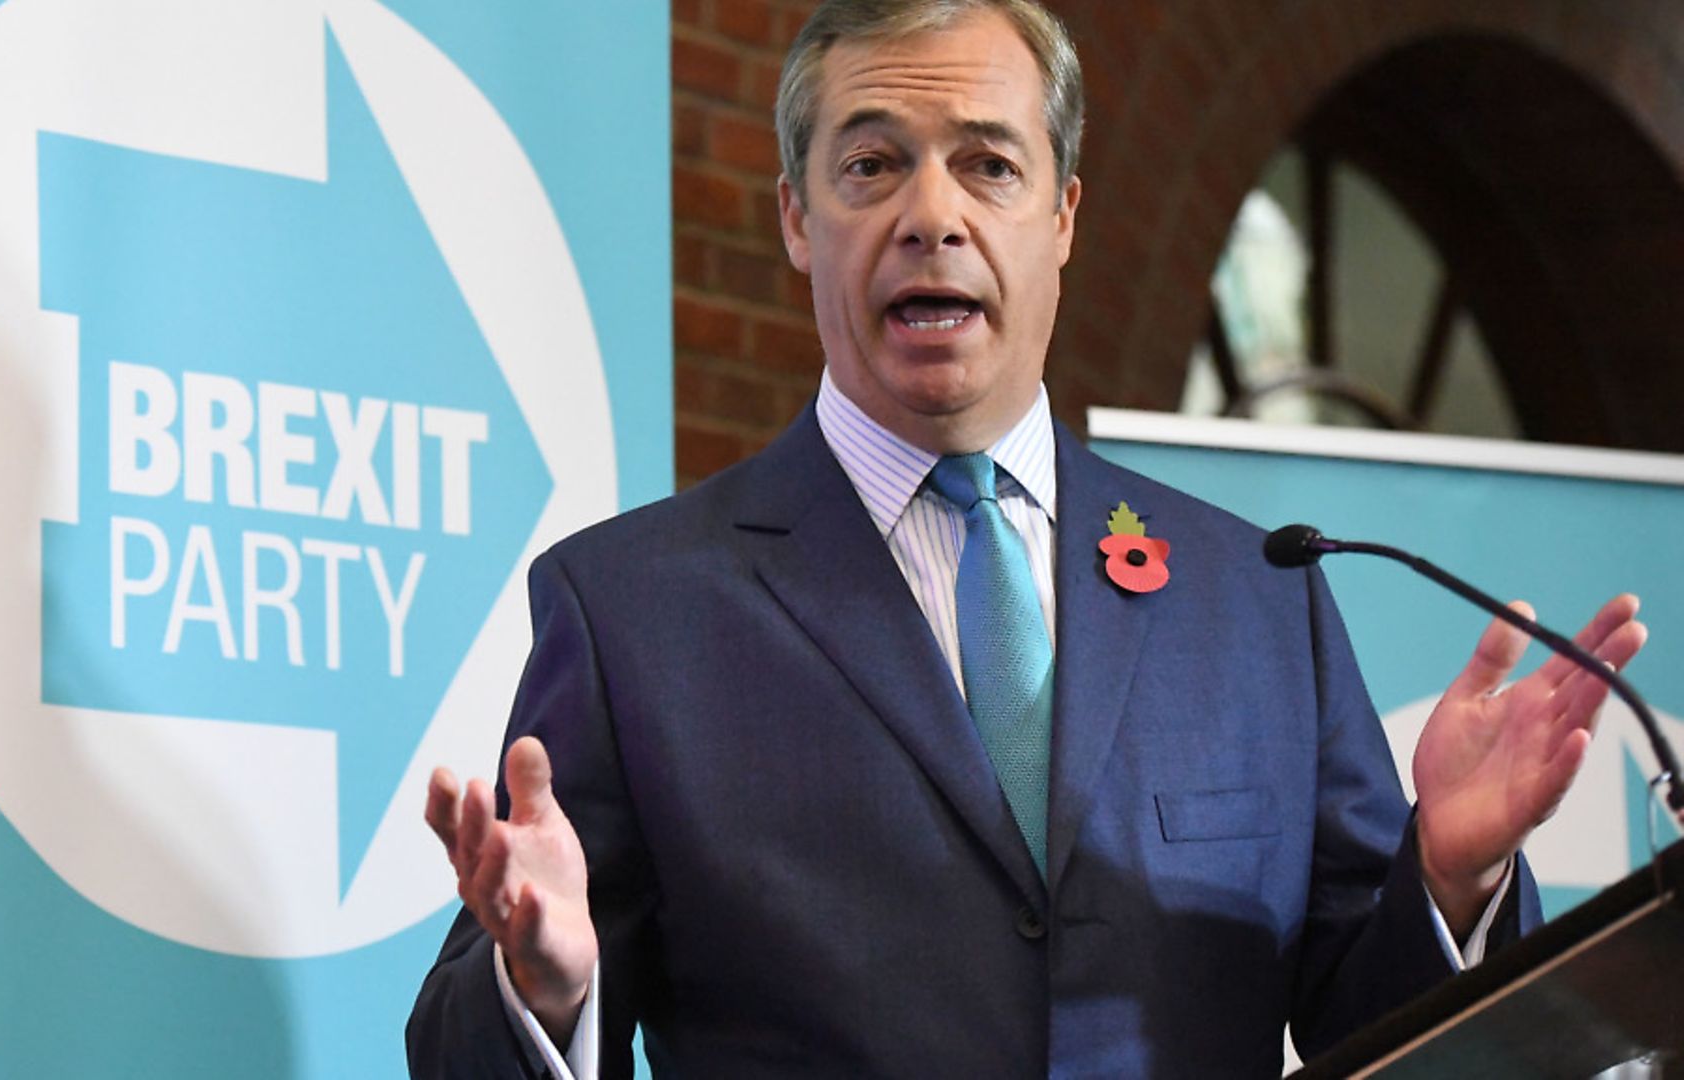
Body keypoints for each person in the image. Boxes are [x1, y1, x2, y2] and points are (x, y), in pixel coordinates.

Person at [407, 1, 1647, 1075]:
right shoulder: (635, 612)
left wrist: (1450, 884)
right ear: (796, 218)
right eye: (871, 165)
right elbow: (463, 1048)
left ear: (1062, 214)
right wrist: (550, 990)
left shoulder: (1257, 601)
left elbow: (1384, 1034)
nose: (930, 214)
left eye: (988, 165)